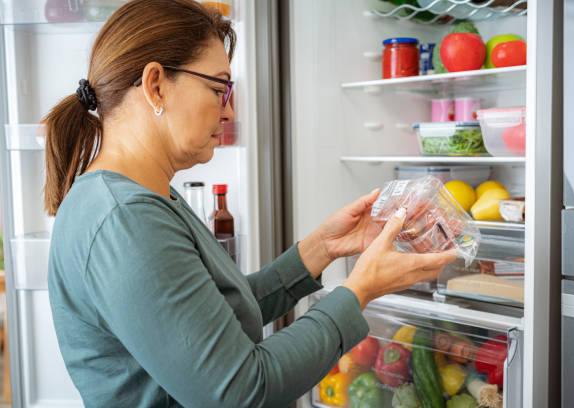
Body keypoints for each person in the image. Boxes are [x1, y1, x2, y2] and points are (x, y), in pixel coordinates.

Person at [44, 1, 456, 407]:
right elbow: (238, 392)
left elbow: (213, 320)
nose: (230, 111)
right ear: (155, 85)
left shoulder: (144, 197)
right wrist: (360, 289)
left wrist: (322, 248)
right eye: (219, 88)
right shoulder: (125, 219)